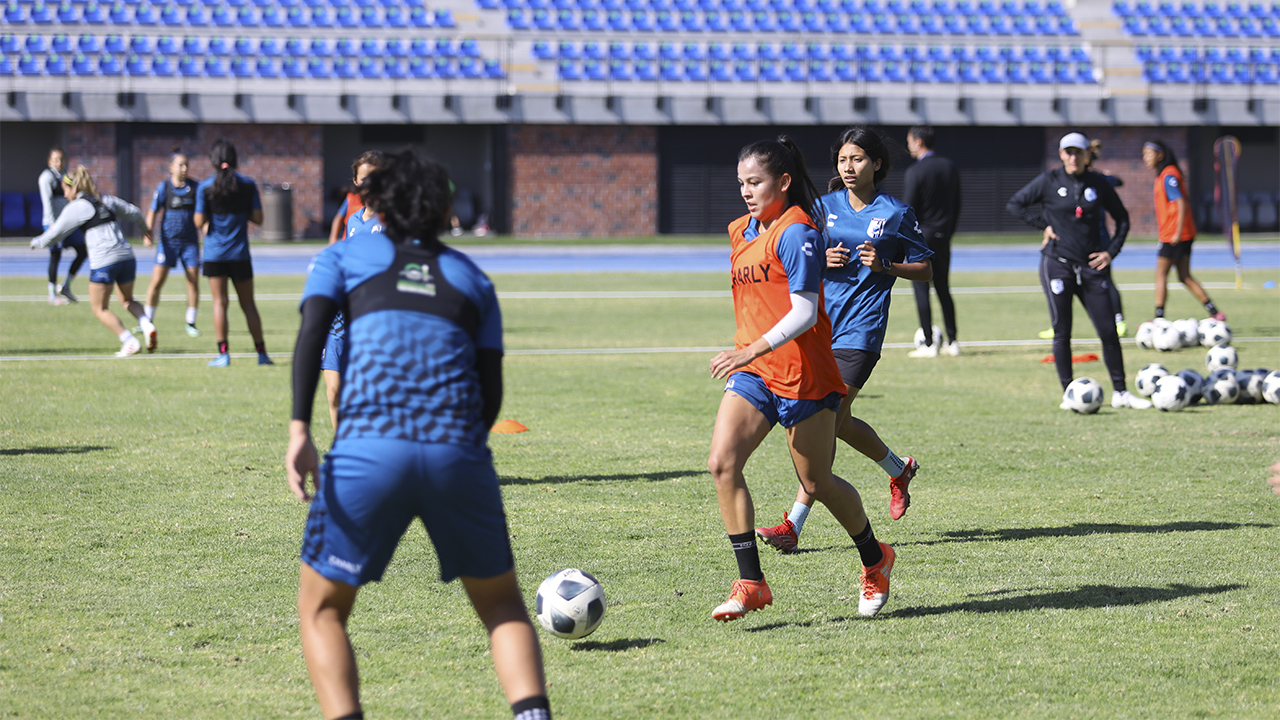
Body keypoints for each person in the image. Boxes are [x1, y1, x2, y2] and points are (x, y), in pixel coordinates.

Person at [285, 151, 551, 720]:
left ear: (375, 204)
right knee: (504, 607)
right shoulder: (472, 277)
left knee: (323, 611)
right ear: (445, 210)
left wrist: (300, 428)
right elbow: (491, 390)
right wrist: (459, 452)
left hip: (366, 454)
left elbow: (311, 335)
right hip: (457, 453)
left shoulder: (345, 256)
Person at [708, 135, 896, 623]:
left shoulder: (798, 232)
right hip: (756, 373)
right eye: (742, 183)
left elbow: (806, 311)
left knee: (817, 481)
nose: (747, 191)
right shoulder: (739, 231)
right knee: (722, 464)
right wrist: (749, 354)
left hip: (803, 375)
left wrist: (751, 347)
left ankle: (875, 559)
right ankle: (751, 584)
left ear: (784, 181)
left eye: (756, 182)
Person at [756, 126, 932, 553]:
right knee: (840, 421)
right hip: (819, 328)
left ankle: (793, 524)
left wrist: (887, 264)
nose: (848, 167)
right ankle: (899, 468)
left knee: (827, 425)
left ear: (876, 164)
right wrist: (823, 258)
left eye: (857, 159)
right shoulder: (821, 207)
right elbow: (799, 253)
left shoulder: (895, 212)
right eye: (842, 160)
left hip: (862, 331)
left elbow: (926, 268)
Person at [1007, 132, 1151, 410]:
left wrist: (1111, 252)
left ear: (1087, 155)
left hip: (1091, 267)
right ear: (1061, 154)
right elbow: (1015, 204)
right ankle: (1067, 392)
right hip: (1057, 264)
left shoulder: (1098, 183)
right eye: (1068, 152)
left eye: (1078, 152)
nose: (1073, 157)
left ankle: (1121, 392)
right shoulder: (1049, 181)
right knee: (1062, 331)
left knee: (1108, 331)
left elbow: (1122, 218)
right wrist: (1043, 226)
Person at [30, 167, 158, 356]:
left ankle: (130, 341)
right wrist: (144, 230)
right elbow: (135, 211)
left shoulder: (77, 207)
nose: (65, 195)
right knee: (127, 300)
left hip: (105, 260)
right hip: (127, 256)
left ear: (74, 188)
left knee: (99, 308)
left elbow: (55, 234)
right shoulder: (106, 199)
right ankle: (147, 325)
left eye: (66, 189)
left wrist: (36, 242)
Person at [322, 150, 388, 430]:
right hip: (340, 317)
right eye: (365, 178)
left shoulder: (393, 222)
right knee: (334, 392)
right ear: (356, 182)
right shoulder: (352, 220)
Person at [1039, 139, 1128, 339]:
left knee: (1105, 280)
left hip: (1098, 239)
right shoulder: (1064, 181)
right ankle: (1058, 324)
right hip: (1073, 241)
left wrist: (1105, 177)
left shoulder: (1098, 181)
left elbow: (1118, 182)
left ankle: (1118, 320)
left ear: (1086, 158)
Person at [195, 139, 272, 367]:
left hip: (214, 255)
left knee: (220, 303)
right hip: (240, 255)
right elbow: (258, 218)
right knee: (248, 304)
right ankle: (261, 353)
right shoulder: (247, 185)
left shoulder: (206, 187)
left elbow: (199, 220)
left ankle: (223, 354)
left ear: (214, 161)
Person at [1143, 138, 1226, 322]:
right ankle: (1214, 312)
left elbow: (1180, 203)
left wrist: (1177, 232)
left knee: (1161, 274)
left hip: (1174, 234)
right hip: (1180, 233)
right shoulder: (1163, 175)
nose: (1145, 158)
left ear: (1160, 155)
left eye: (1148, 154)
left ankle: (1159, 318)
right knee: (1184, 276)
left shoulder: (1168, 175)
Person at [902, 125, 962, 358]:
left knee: (921, 289)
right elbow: (957, 204)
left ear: (918, 142)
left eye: (909, 141)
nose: (908, 146)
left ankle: (928, 343)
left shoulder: (916, 171)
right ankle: (953, 340)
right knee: (943, 288)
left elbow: (908, 209)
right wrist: (948, 232)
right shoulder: (950, 167)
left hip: (921, 238)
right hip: (943, 235)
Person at [142, 149, 203, 337]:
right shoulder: (164, 188)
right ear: (171, 168)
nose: (184, 168)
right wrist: (148, 231)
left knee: (192, 282)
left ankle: (191, 322)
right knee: (157, 282)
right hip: (168, 243)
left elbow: (202, 213)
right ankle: (146, 321)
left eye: (187, 165)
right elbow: (153, 211)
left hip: (190, 243)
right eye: (180, 165)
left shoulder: (195, 188)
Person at [37, 146, 87, 305]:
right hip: (53, 223)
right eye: (55, 160)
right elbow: (47, 202)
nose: (58, 163)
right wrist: (52, 225)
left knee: (82, 251)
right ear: (49, 161)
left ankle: (66, 286)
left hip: (68, 223)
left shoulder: (66, 175)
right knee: (56, 255)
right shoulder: (46, 177)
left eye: (61, 160)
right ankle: (52, 294)